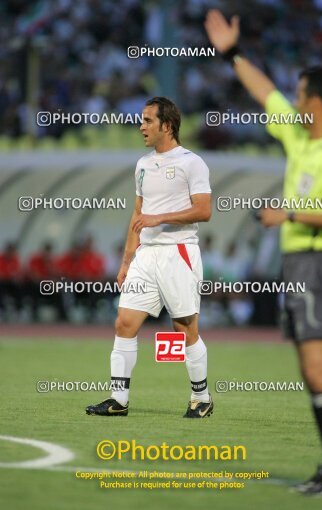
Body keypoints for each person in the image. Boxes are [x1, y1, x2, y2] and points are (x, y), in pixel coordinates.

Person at [205, 9, 322, 496]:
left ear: (317, 102)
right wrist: (233, 53)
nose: (294, 100)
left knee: (320, 367)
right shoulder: (299, 136)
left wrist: (292, 215)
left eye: (301, 94)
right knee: (314, 368)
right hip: (302, 264)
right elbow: (265, 92)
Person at [86, 96, 214, 418]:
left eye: (147, 120)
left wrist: (160, 218)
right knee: (124, 322)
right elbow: (138, 214)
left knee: (184, 328)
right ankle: (119, 399)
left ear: (166, 126)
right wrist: (127, 260)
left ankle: (202, 398)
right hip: (145, 255)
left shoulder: (192, 162)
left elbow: (204, 210)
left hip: (178, 252)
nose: (141, 126)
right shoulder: (143, 164)